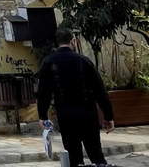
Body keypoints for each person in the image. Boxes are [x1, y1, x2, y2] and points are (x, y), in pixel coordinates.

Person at [37, 27, 115, 167]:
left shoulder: (48, 63)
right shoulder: (84, 61)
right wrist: (108, 116)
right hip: (87, 114)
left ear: (58, 42)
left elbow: (44, 92)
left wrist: (43, 115)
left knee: (73, 156)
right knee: (96, 154)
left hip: (66, 115)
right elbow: (99, 90)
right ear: (73, 41)